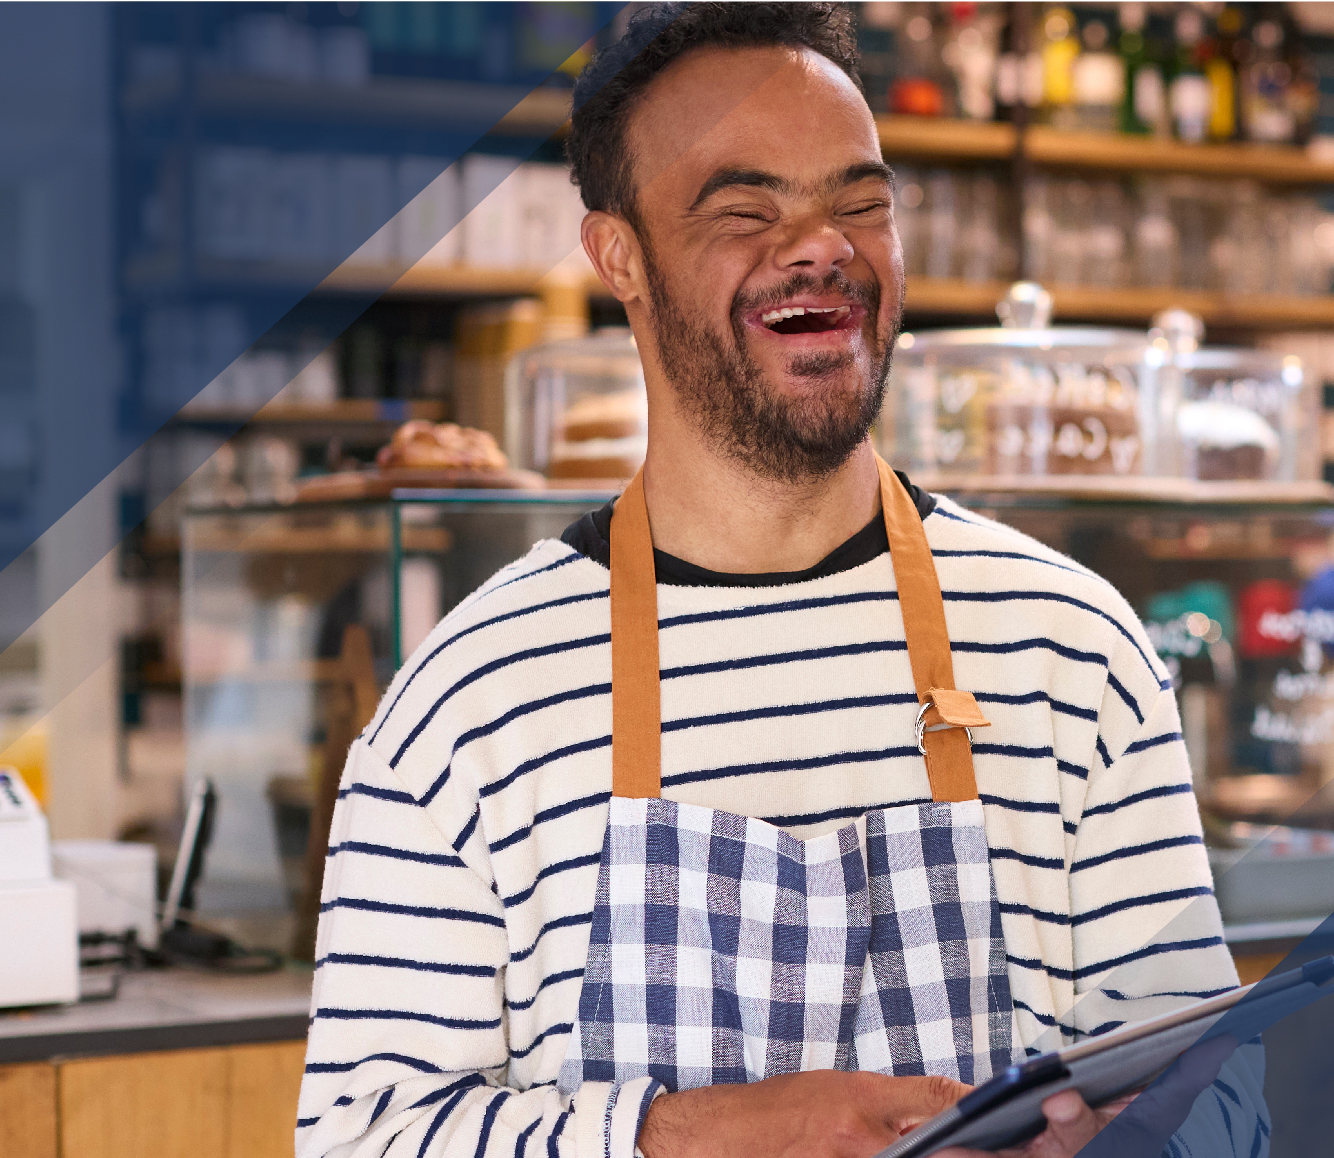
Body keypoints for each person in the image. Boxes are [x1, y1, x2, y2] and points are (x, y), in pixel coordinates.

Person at [297, 6, 1266, 1157]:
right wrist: (689, 1135)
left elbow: (1225, 1105)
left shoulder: (1072, 649)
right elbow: (359, 1140)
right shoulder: (471, 702)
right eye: (744, 210)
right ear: (620, 258)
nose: (821, 248)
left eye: (860, 203)